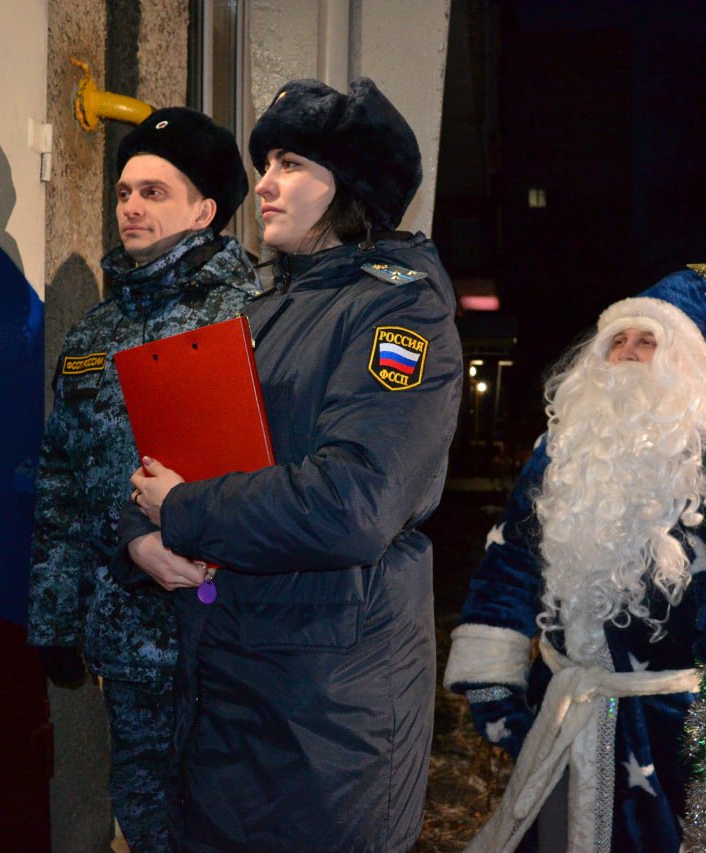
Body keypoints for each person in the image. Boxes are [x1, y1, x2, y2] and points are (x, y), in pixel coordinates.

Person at [114, 77, 463, 852]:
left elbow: (356, 501)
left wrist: (184, 511)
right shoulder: (268, 310)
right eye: (265, 164)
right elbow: (182, 465)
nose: (265, 185)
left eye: (292, 164)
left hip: (327, 722)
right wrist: (138, 538)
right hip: (231, 696)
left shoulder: (400, 311)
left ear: (352, 187)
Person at [443, 270, 706, 852]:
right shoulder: (563, 451)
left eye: (646, 341)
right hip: (564, 722)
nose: (626, 352)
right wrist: (492, 682)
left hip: (681, 733)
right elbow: (511, 564)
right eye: (617, 341)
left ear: (682, 361)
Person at [27, 106, 258, 852]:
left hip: (225, 634)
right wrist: (54, 615)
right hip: (127, 639)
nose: (130, 206)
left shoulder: (255, 316)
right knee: (142, 806)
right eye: (124, 191)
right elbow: (63, 480)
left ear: (204, 210)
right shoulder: (94, 333)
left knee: (229, 817)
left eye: (154, 192)